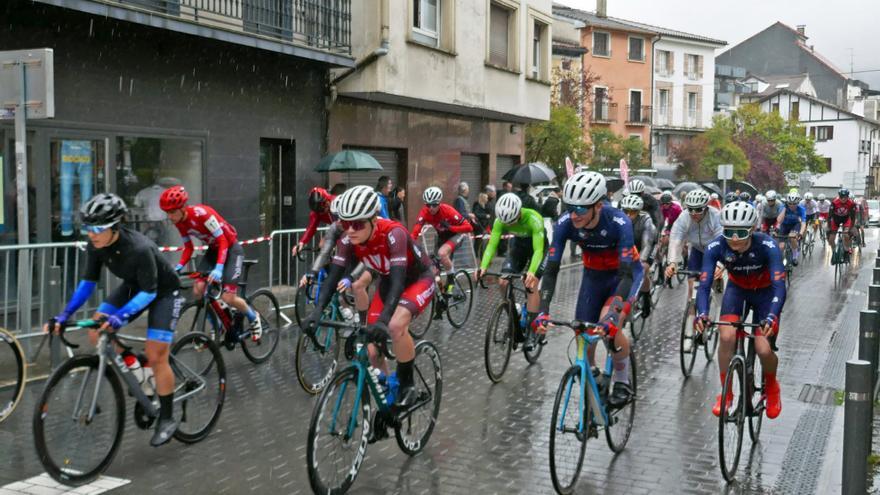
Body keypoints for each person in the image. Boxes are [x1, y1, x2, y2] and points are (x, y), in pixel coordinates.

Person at [47, 193, 183, 446]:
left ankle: (166, 417)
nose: (92, 234)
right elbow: (87, 284)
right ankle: (136, 367)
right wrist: (65, 314)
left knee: (157, 354)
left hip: (163, 292)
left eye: (98, 228)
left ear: (115, 226)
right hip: (134, 286)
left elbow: (150, 292)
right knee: (96, 329)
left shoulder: (140, 249)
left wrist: (120, 317)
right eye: (88, 228)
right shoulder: (96, 245)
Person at [303, 186, 434, 409]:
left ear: (373, 219)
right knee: (373, 351)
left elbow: (399, 281)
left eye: (357, 224)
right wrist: (317, 312)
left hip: (417, 280)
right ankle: (387, 402)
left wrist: (383, 320)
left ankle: (408, 385)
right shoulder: (347, 240)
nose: (350, 230)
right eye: (345, 224)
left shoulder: (394, 234)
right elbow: (333, 276)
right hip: (388, 282)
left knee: (395, 325)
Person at [535, 172, 642, 406]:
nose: (574, 214)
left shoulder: (620, 222)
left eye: (581, 209)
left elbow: (626, 274)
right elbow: (551, 270)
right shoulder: (565, 223)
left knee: (609, 324)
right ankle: (592, 372)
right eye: (569, 207)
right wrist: (542, 310)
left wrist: (614, 311)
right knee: (582, 331)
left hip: (622, 276)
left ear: (598, 206)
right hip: (593, 276)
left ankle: (623, 381)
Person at [694, 201, 786, 419]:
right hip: (737, 290)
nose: (734, 238)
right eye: (729, 232)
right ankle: (726, 393)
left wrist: (772, 316)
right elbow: (705, 284)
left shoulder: (767, 246)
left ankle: (772, 386)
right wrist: (702, 313)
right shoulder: (716, 247)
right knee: (726, 336)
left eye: (741, 232)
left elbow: (779, 286)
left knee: (763, 349)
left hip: (765, 294)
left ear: (752, 229)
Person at [159, 186, 263, 340]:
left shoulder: (203, 214)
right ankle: (217, 326)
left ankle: (253, 317)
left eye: (172, 212)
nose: (170, 216)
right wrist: (179, 267)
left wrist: (219, 268)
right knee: (198, 290)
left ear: (182, 208)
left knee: (228, 297)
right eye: (167, 213)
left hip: (231, 248)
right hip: (214, 251)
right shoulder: (180, 222)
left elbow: (223, 241)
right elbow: (189, 247)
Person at [475, 194, 546, 349]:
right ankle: (514, 319)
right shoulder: (499, 220)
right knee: (503, 281)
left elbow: (538, 250)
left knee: (531, 284)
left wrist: (532, 272)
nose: (510, 224)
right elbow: (492, 245)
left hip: (538, 248)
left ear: (519, 212)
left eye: (512, 221)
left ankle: (533, 332)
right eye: (507, 222)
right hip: (519, 246)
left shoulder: (534, 218)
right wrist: (483, 267)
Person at [665, 189, 724, 351]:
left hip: (714, 251)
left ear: (705, 208)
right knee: (691, 292)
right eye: (690, 209)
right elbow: (676, 239)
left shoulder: (715, 216)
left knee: (708, 282)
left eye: (698, 210)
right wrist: (672, 262)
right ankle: (690, 334)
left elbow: (722, 241)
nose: (693, 213)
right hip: (697, 251)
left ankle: (711, 314)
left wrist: (719, 265)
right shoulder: (684, 217)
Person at [411, 187, 473, 305]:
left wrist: (451, 227)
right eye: (428, 205)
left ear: (439, 203)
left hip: (456, 235)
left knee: (442, 253)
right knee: (433, 268)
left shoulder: (448, 210)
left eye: (434, 205)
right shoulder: (425, 211)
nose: (431, 208)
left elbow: (469, 227)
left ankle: (451, 280)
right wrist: (409, 244)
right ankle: (443, 295)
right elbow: (416, 230)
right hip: (441, 238)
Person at [620, 194, 656, 316]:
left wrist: (639, 262)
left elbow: (647, 245)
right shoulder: (619, 219)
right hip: (631, 247)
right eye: (626, 211)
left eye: (633, 212)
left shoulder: (646, 220)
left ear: (639, 211)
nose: (628, 215)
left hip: (646, 245)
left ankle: (646, 297)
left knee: (643, 269)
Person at [291, 187, 335, 257]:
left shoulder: (335, 201)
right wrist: (301, 243)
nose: (322, 212)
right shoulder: (316, 213)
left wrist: (329, 239)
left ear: (327, 200)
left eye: (323, 209)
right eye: (319, 211)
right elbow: (311, 228)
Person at [776, 192, 806, 265]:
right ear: (787, 203)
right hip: (784, 225)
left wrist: (801, 233)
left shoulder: (801, 209)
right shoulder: (783, 207)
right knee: (781, 246)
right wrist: (785, 209)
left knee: (792, 237)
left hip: (795, 225)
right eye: (790, 203)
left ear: (798, 203)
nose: (792, 205)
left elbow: (803, 223)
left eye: (794, 203)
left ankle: (794, 257)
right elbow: (779, 220)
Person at [827, 188, 857, 256]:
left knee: (846, 235)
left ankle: (847, 249)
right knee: (831, 239)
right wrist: (829, 227)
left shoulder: (851, 203)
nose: (843, 199)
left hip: (846, 219)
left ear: (848, 197)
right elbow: (829, 216)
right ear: (839, 196)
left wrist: (851, 228)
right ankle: (834, 252)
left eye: (845, 197)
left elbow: (853, 217)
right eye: (841, 197)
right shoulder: (834, 202)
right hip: (835, 219)